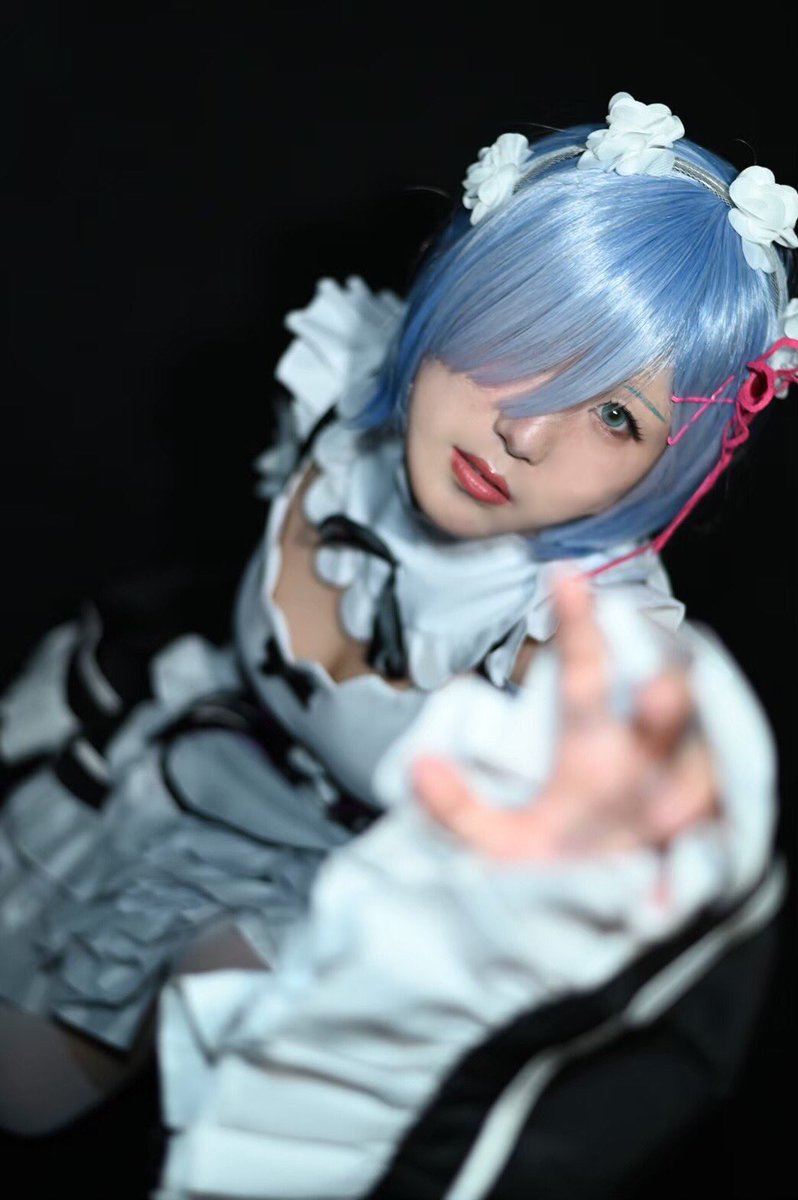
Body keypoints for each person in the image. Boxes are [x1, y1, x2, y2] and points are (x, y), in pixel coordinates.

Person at [0, 89, 795, 1195]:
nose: (525, 431)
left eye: (617, 416)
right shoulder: (342, 385)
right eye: (524, 337)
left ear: (677, 464)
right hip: (192, 771)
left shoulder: (583, 635)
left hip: (337, 911)